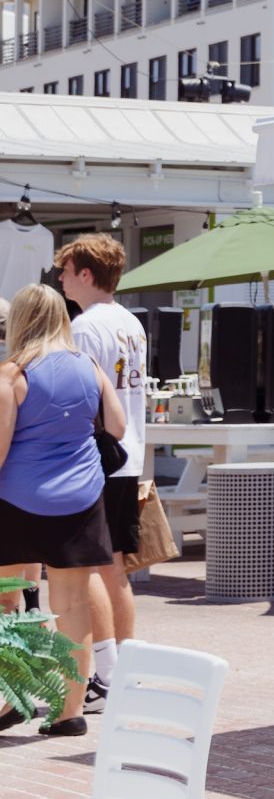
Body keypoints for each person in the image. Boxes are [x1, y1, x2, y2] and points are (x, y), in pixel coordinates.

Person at [0, 283, 128, 735]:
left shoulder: (13, 374)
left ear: (20, 320)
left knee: (6, 599)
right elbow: (117, 426)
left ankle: (13, 697)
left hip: (17, 501)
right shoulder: (88, 365)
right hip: (81, 498)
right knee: (72, 605)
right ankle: (69, 711)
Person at [55, 235, 146, 707]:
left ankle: (107, 674)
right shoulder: (131, 321)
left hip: (97, 457)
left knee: (87, 567)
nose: (61, 279)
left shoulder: (86, 326)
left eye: (66, 271)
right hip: (128, 455)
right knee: (115, 568)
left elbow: (81, 397)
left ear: (86, 274)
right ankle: (120, 673)